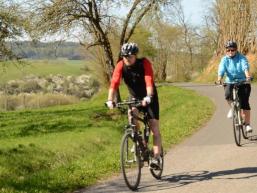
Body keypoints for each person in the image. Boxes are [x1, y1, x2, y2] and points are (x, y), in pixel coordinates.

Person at [106, 42, 162, 169]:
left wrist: (148, 96)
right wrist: (110, 100)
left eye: (130, 56)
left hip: (149, 96)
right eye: (125, 56)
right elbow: (114, 82)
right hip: (134, 97)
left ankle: (156, 158)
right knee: (132, 118)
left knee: (154, 127)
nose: (127, 59)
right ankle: (139, 142)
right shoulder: (120, 65)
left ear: (135, 56)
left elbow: (149, 80)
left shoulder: (144, 63)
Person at [217, 40, 253, 132]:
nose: (230, 52)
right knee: (227, 95)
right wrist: (219, 78)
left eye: (232, 50)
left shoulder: (241, 58)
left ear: (236, 50)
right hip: (230, 81)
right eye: (228, 50)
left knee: (244, 102)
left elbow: (245, 67)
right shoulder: (224, 59)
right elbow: (221, 69)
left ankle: (247, 124)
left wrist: (247, 76)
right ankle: (232, 108)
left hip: (243, 81)